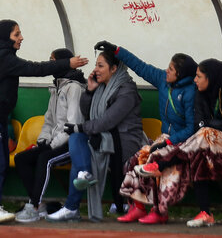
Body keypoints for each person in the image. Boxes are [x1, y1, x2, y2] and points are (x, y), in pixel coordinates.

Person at [124, 58, 222, 228]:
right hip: (211, 143)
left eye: (199, 77)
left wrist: (212, 125)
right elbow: (199, 123)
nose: (195, 80)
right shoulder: (200, 94)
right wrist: (212, 126)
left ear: (211, 78)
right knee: (199, 152)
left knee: (205, 132)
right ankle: (205, 213)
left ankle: (162, 164)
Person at [0, 19, 87, 225]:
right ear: (5, 36)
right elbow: (35, 68)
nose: (21, 38)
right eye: (17, 34)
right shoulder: (2, 58)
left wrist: (47, 141)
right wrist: (66, 63)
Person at [94, 42, 197, 224]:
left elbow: (191, 128)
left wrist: (169, 142)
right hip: (164, 140)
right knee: (136, 160)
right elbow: (139, 66)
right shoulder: (163, 81)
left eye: (171, 69)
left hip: (184, 142)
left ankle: (160, 211)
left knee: (160, 168)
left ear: (179, 74)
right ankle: (138, 207)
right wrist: (116, 49)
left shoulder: (190, 93)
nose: (167, 70)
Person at [47, 47, 146, 222]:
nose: (96, 70)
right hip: (102, 136)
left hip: (123, 140)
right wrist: (90, 91)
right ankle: (85, 175)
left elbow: (107, 121)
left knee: (80, 145)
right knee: (77, 142)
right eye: (95, 65)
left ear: (114, 69)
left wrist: (80, 128)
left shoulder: (127, 90)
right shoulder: (100, 87)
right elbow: (86, 112)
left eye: (101, 66)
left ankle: (71, 207)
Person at [13, 48, 86, 222]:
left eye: (53, 60)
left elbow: (72, 125)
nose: (50, 64)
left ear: (63, 62)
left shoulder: (74, 88)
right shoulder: (56, 88)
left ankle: (34, 206)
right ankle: (40, 205)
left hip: (72, 143)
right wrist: (43, 141)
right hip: (55, 142)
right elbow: (49, 121)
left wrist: (52, 146)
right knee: (21, 159)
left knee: (45, 158)